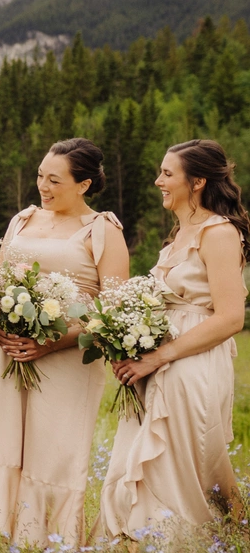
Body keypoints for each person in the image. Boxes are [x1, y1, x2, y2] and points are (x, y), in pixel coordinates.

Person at [0, 138, 129, 547]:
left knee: (56, 448)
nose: (43, 186)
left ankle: (54, 539)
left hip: (68, 359)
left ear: (83, 185)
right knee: (13, 444)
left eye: (54, 180)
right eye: (41, 176)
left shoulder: (103, 230)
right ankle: (8, 533)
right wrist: (0, 323)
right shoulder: (22, 220)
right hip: (15, 355)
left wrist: (54, 342)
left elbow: (115, 310)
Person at [96, 139, 248, 540]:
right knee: (149, 462)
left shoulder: (219, 233)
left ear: (197, 181)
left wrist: (159, 356)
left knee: (189, 467)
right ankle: (151, 540)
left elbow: (231, 317)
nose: (157, 180)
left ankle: (196, 540)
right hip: (158, 362)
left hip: (191, 365)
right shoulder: (180, 233)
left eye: (167, 173)